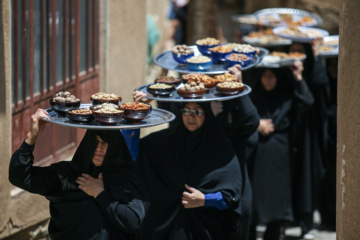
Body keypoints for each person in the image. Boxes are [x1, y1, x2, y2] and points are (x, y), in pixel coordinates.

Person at [9, 109, 148, 240]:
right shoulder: (66, 176)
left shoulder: (125, 179)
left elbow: (133, 220)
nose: (98, 148)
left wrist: (100, 193)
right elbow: (19, 176)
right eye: (95, 142)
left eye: (104, 143)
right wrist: (31, 136)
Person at [137, 101, 243, 240]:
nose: (191, 117)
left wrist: (204, 200)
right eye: (186, 111)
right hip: (169, 225)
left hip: (207, 227)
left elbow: (231, 197)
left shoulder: (220, 148)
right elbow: (133, 151)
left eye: (198, 112)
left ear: (207, 115)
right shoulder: (167, 141)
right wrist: (137, 111)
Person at [247, 63, 314, 240]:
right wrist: (257, 124)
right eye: (264, 76)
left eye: (272, 76)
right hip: (257, 156)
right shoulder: (254, 97)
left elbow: (307, 101)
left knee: (276, 206)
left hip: (280, 157)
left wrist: (298, 77)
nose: (268, 80)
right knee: (253, 204)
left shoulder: (286, 98)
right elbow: (241, 115)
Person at [289, 41, 330, 237]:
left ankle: (306, 220)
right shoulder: (283, 71)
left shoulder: (314, 72)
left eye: (300, 51)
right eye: (292, 50)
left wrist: (315, 57)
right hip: (288, 130)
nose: (296, 55)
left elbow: (316, 95)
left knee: (306, 174)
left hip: (309, 132)